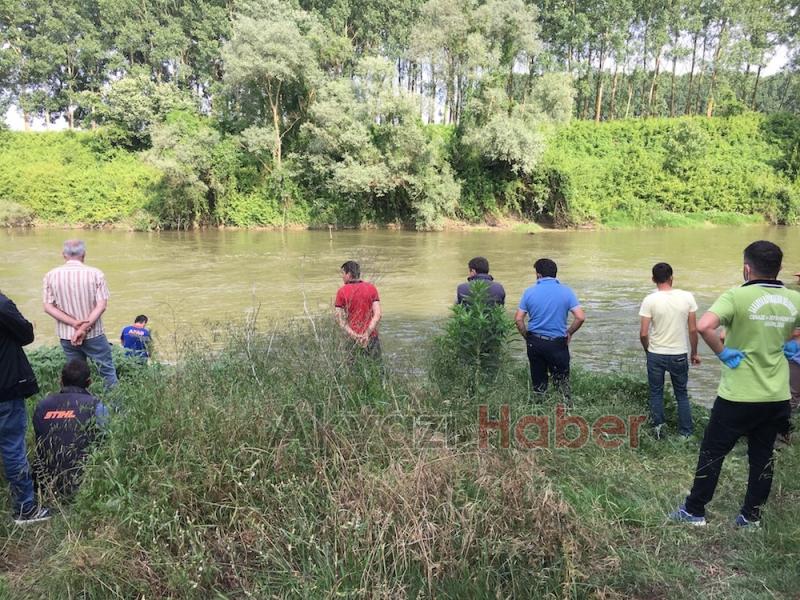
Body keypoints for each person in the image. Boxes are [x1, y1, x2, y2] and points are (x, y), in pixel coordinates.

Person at [670, 241, 800, 528]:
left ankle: (694, 511)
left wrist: (722, 352)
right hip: (776, 394)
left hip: (738, 395)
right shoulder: (794, 299)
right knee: (763, 456)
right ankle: (750, 517)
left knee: (712, 451)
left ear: (746, 269)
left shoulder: (736, 296)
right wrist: (792, 344)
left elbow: (705, 326)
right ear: (779, 269)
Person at [0, 291, 50, 524]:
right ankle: (25, 509)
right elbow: (26, 333)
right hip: (5, 389)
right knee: (12, 447)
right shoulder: (2, 304)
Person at [43, 240, 117, 388]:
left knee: (74, 376)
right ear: (84, 254)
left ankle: (77, 407)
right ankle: (115, 409)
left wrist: (74, 324)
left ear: (63, 255)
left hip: (68, 336)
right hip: (94, 334)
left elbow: (48, 307)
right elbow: (101, 306)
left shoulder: (50, 275)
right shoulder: (96, 274)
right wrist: (83, 329)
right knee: (106, 371)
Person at [639, 263, 700, 439]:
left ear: (653, 280)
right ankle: (686, 434)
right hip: (678, 353)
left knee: (656, 392)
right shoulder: (687, 297)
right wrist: (694, 352)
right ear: (672, 277)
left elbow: (643, 334)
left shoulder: (649, 300)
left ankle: (659, 431)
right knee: (681, 394)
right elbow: (693, 330)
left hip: (656, 353)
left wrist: (648, 350)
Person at [33, 359, 108, 500]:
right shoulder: (96, 405)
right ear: (89, 382)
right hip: (84, 486)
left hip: (43, 486)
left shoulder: (42, 405)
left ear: (60, 381)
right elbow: (107, 440)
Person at [515, 258, 585, 400]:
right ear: (555, 273)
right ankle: (564, 412)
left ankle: (539, 412)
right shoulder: (567, 292)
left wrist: (526, 336)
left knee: (539, 385)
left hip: (535, 342)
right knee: (562, 383)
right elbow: (580, 317)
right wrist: (569, 332)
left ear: (538, 275)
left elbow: (518, 319)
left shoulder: (529, 292)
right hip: (558, 343)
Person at [335, 261, 382, 358]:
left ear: (349, 274)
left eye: (343, 273)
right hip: (371, 337)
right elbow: (378, 315)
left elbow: (340, 320)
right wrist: (366, 334)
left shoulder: (341, 292)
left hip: (352, 339)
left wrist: (355, 336)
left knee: (354, 371)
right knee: (376, 370)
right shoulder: (371, 288)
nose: (342, 277)